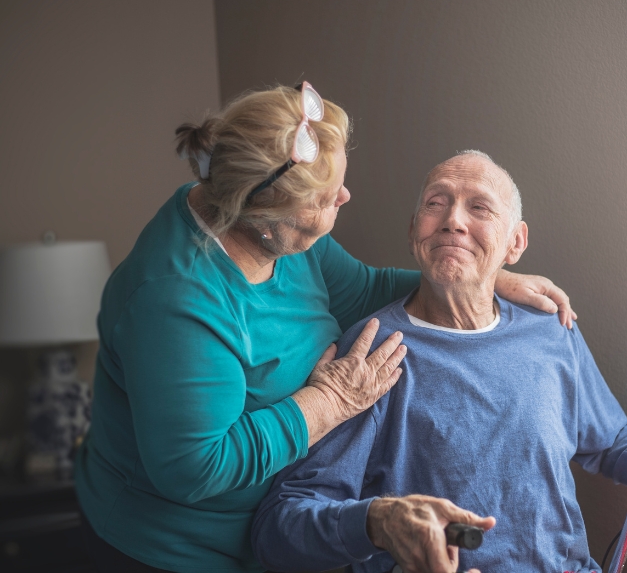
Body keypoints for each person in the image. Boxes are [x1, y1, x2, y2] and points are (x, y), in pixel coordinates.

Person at [73, 84, 577, 573]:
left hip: (268, 534)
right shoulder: (174, 299)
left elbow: (364, 288)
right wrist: (328, 403)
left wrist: (485, 276)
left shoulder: (270, 228)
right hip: (171, 550)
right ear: (264, 214)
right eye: (324, 197)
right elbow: (198, 466)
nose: (344, 195)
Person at [252, 151, 627, 573]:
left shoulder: (550, 332)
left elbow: (609, 440)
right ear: (414, 230)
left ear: (515, 243)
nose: (453, 220)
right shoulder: (372, 355)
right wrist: (378, 521)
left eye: (479, 208)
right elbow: (281, 526)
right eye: (437, 203)